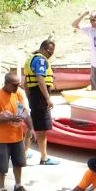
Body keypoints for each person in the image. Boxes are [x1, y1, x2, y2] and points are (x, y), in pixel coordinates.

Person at [0, 70, 35, 191]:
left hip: (17, 136)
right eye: (14, 84)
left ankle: (18, 186)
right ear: (6, 83)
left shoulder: (18, 93)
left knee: (19, 163)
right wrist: (9, 118)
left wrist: (31, 128)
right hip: (2, 139)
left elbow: (25, 112)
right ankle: (2, 190)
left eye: (19, 84)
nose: (17, 87)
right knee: (2, 166)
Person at [24, 38, 60, 166]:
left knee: (32, 124)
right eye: (49, 52)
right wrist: (48, 98)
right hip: (40, 97)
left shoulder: (30, 60)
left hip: (34, 96)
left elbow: (26, 82)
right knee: (43, 128)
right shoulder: (40, 60)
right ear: (42, 49)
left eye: (52, 54)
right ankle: (44, 158)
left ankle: (24, 152)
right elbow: (40, 78)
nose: (50, 56)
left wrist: (29, 97)